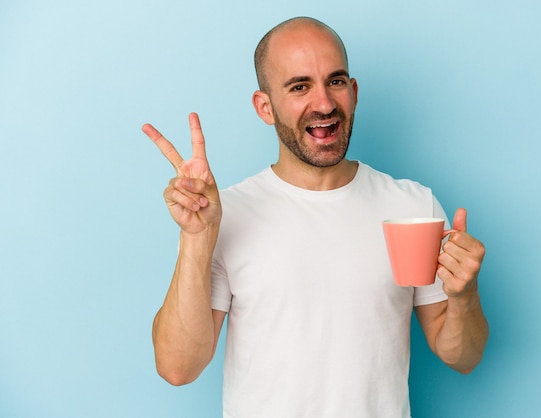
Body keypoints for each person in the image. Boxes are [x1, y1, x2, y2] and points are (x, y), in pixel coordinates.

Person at [142, 16, 488, 418]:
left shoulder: (411, 207)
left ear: (354, 92)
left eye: (336, 81)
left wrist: (464, 297)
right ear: (265, 107)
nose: (324, 103)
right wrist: (197, 239)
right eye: (300, 86)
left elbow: (463, 357)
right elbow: (177, 368)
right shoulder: (228, 215)